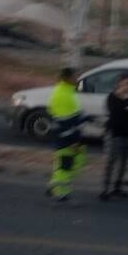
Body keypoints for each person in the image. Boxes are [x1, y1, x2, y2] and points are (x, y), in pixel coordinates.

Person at [46, 67, 88, 203]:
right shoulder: (63, 95)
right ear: (68, 78)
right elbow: (65, 122)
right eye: (75, 77)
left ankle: (57, 186)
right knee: (67, 164)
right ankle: (58, 189)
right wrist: (72, 141)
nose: (77, 79)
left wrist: (84, 118)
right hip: (66, 138)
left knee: (68, 163)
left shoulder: (65, 91)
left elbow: (71, 116)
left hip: (66, 136)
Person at [100, 73, 128, 201]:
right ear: (120, 83)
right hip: (114, 133)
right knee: (111, 161)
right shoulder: (112, 97)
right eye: (127, 83)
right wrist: (127, 104)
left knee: (123, 162)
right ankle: (105, 189)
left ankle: (117, 186)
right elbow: (116, 113)